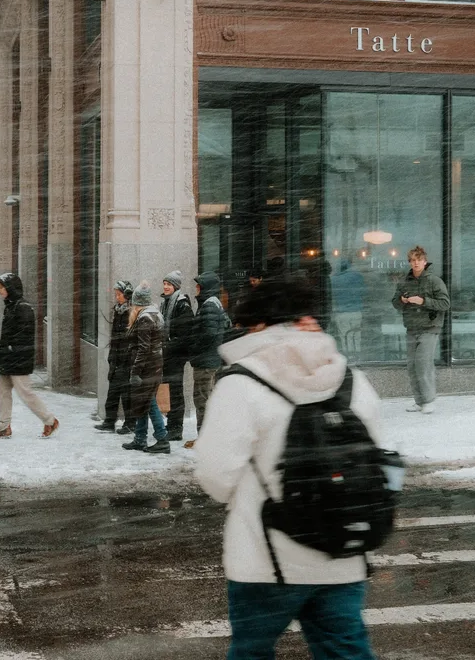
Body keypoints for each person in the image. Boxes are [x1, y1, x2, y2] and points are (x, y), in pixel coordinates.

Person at [192, 279, 382, 659]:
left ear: (260, 325)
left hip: (265, 558)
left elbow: (215, 474)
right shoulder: (351, 379)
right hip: (342, 551)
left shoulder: (241, 383)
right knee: (344, 652)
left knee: (252, 651)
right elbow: (373, 458)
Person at [0, 272, 59, 439]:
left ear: (11, 288)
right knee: (2, 392)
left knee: (26, 393)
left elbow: (24, 336)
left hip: (18, 359)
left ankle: (49, 420)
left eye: (2, 287)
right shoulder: (11, 306)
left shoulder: (23, 307)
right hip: (9, 357)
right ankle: (4, 427)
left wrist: (11, 349)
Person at [392, 245, 450, 414]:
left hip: (430, 328)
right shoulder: (405, 282)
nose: (416, 263)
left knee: (423, 365)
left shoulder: (434, 281)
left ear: (425, 262)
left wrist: (423, 301)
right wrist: (402, 300)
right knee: (412, 367)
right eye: (413, 260)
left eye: (419, 260)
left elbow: (445, 304)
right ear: (410, 262)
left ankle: (429, 400)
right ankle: (419, 401)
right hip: (411, 328)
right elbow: (395, 303)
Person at [123, 283, 169, 453]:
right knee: (144, 401)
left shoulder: (144, 318)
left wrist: (135, 372)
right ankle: (140, 438)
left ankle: (162, 438)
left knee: (149, 402)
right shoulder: (156, 315)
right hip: (154, 365)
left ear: (138, 302)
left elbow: (144, 348)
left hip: (146, 367)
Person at [187, 271, 229, 448]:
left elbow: (209, 334)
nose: (196, 288)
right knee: (206, 400)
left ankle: (205, 439)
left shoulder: (209, 305)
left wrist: (195, 349)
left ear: (206, 287)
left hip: (206, 361)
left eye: (199, 285)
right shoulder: (213, 303)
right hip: (209, 360)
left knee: (202, 400)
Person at [159, 270, 197, 441]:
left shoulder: (182, 305)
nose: (166, 287)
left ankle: (176, 428)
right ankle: (172, 424)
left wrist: (168, 346)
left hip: (176, 356)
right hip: (168, 355)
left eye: (169, 284)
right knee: (170, 389)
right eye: (164, 283)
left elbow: (184, 335)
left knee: (175, 391)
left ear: (176, 286)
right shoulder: (165, 303)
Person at [95, 280, 135, 433]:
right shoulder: (118, 311)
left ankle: (129, 423)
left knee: (126, 394)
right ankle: (109, 421)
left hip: (126, 359)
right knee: (112, 392)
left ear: (127, 295)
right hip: (116, 358)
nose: (117, 297)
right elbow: (115, 338)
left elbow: (128, 338)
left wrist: (125, 356)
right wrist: (112, 357)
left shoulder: (131, 313)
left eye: (119, 294)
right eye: (116, 294)